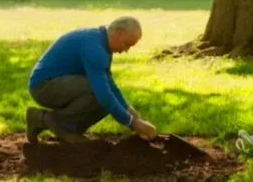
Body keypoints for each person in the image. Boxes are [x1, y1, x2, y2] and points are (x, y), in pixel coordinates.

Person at [25, 16, 158, 144]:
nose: (126, 50)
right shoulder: (95, 48)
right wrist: (132, 123)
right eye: (127, 44)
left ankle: (68, 129)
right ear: (119, 33)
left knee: (106, 99)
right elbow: (103, 93)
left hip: (62, 84)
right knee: (99, 92)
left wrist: (136, 118)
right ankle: (49, 121)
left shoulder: (102, 43)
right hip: (43, 87)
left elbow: (110, 86)